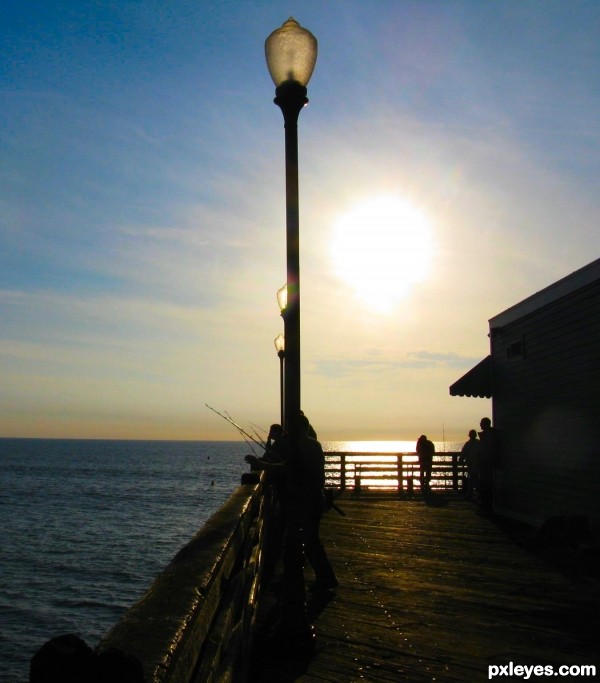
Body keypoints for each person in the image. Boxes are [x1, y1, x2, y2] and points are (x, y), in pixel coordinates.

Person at [478, 417, 499, 513]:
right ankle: (485, 506)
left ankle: (486, 507)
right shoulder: (491, 434)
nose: (480, 424)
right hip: (486, 463)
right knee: (485, 486)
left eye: (481, 423)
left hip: (486, 464)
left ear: (485, 424)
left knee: (486, 486)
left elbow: (487, 450)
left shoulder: (488, 435)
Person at [459, 429, 480, 500]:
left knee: (473, 479)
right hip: (475, 465)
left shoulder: (469, 444)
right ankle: (475, 493)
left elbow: (463, 453)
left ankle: (471, 494)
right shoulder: (478, 443)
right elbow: (464, 453)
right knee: (475, 479)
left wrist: (461, 459)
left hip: (474, 465)